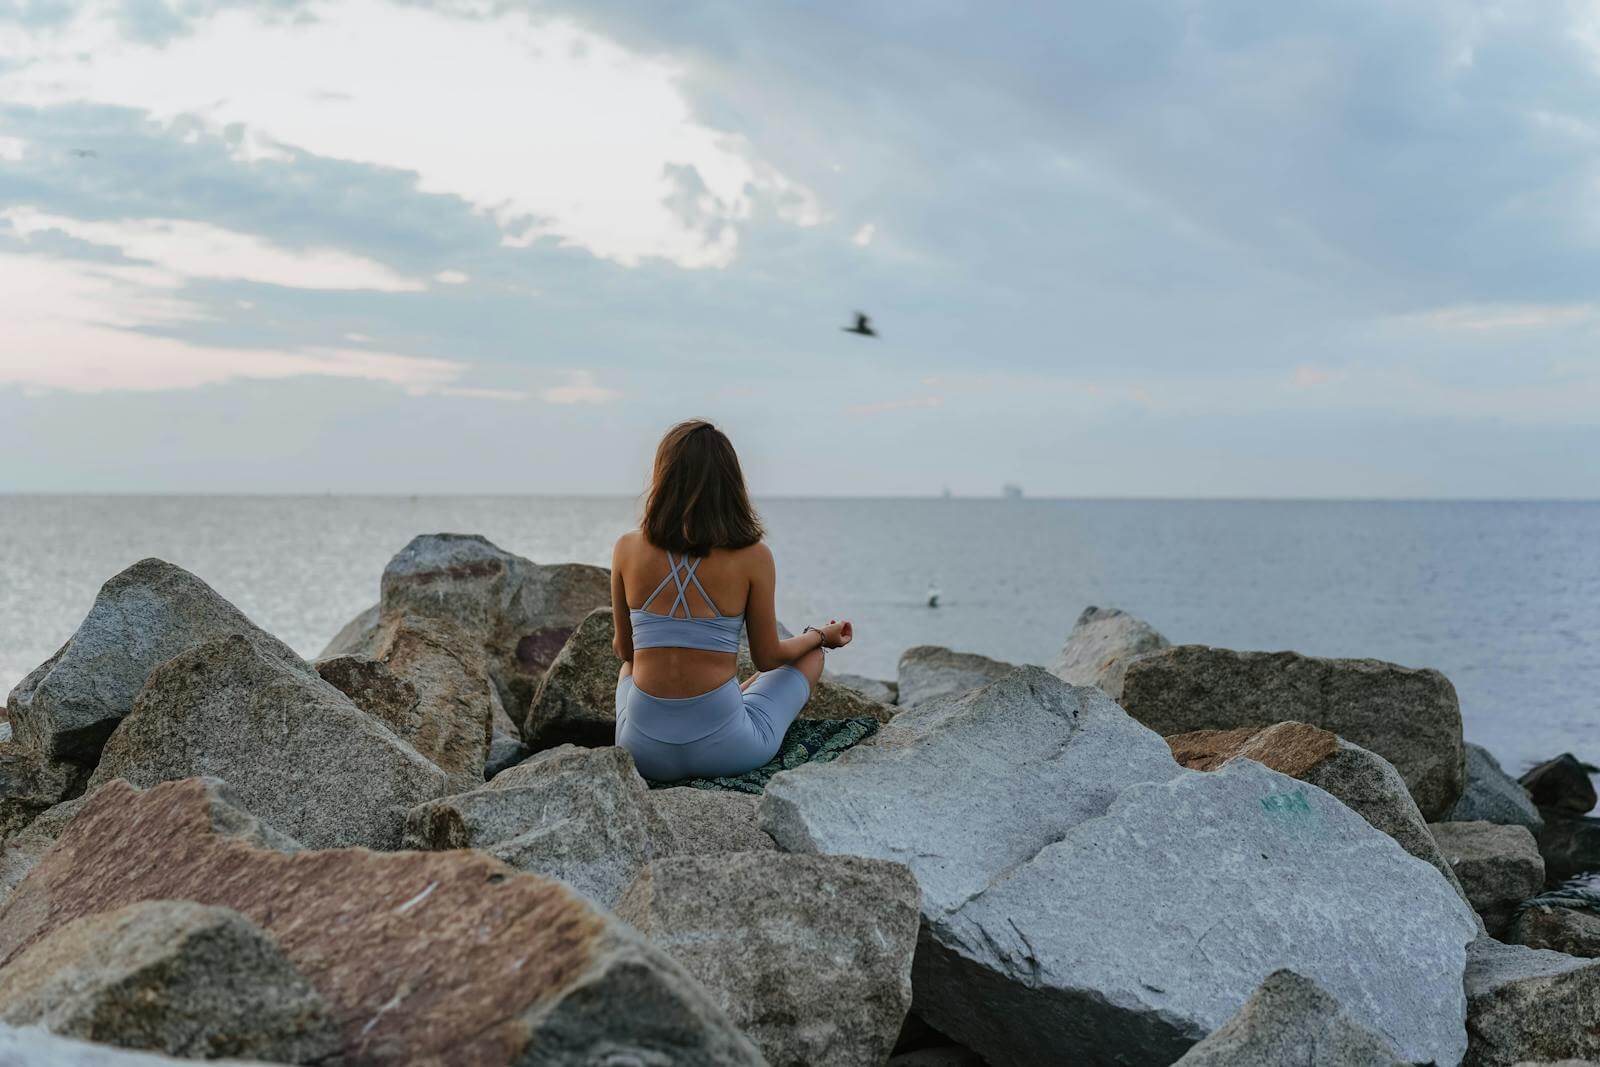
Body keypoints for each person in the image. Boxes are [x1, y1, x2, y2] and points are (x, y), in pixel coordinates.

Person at [611, 419, 853, 781]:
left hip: (642, 754)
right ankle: (732, 697)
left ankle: (725, 699)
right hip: (729, 752)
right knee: (811, 656)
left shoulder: (627, 548)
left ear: (663, 476)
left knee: (629, 670)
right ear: (730, 482)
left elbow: (625, 652)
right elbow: (767, 658)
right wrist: (820, 636)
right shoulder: (754, 556)